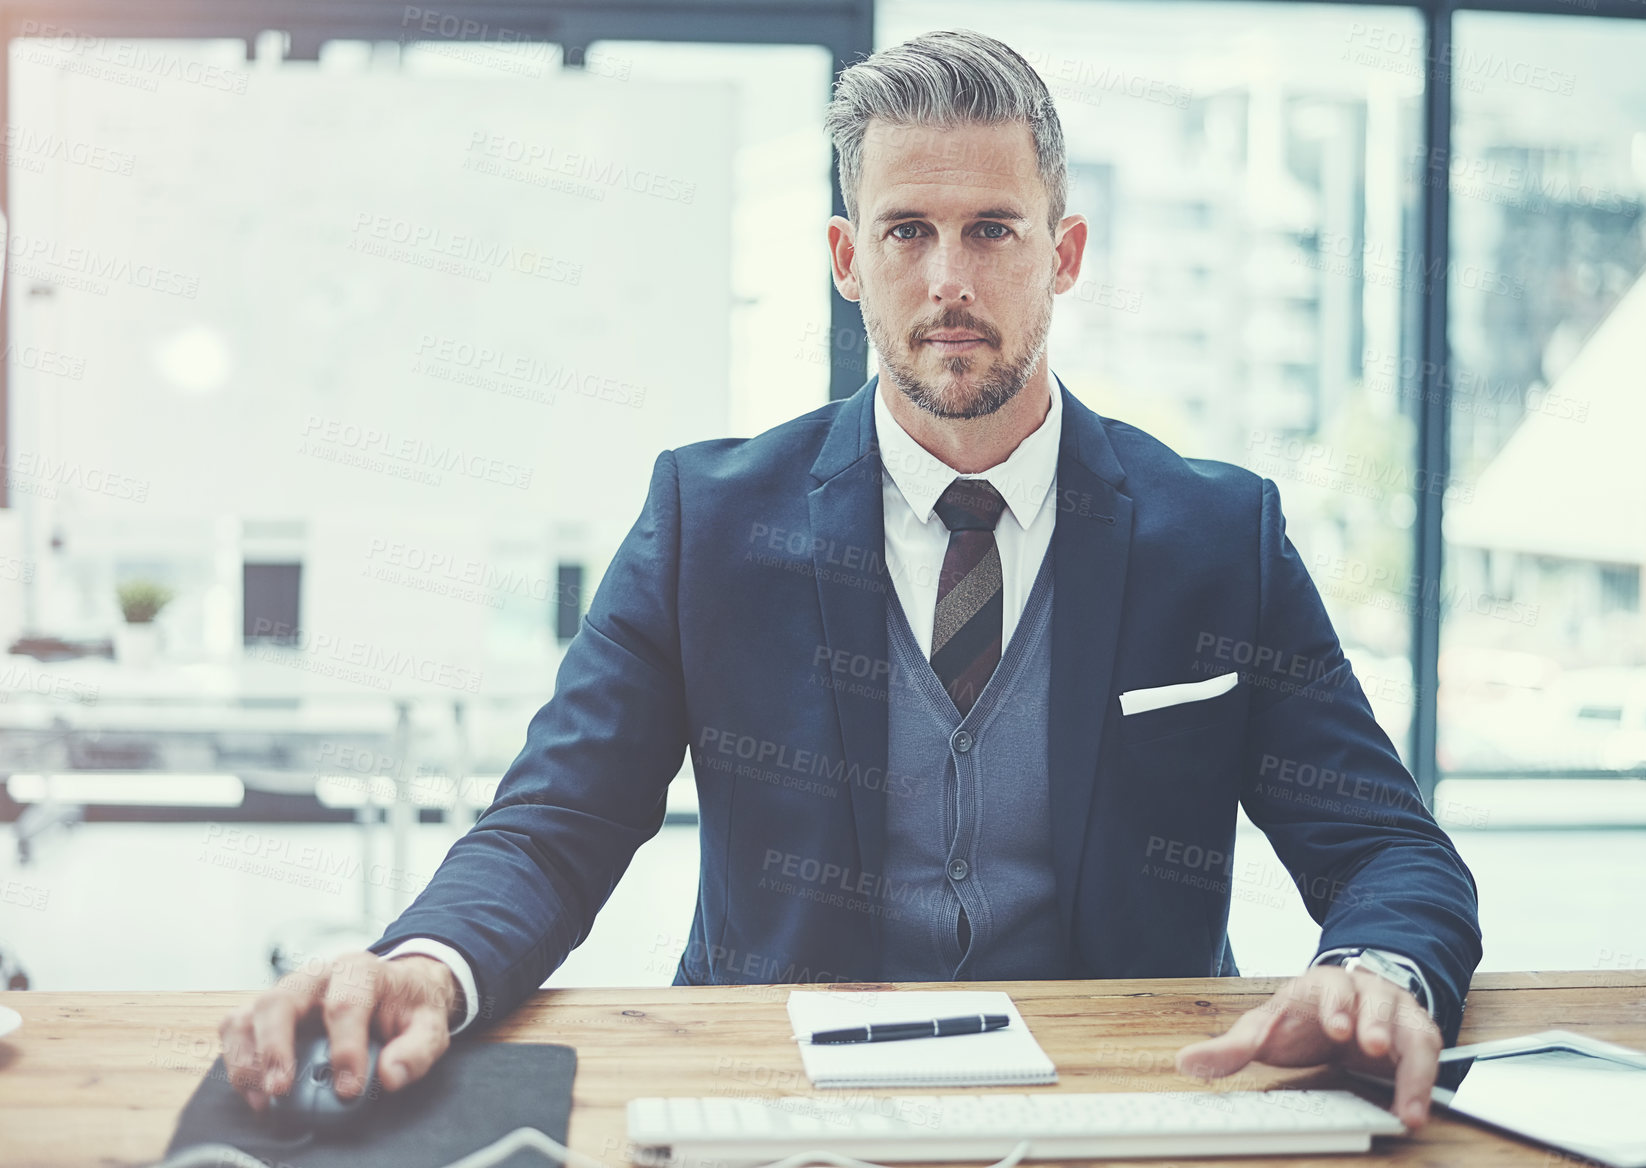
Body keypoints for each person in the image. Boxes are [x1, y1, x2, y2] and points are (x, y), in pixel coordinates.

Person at [221, 27, 1480, 1131]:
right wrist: (430, 964)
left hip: (1136, 1099)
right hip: (772, 1107)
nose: (949, 280)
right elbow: (554, 827)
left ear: (1065, 252)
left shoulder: (1221, 534)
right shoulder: (705, 522)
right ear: (844, 253)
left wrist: (1374, 970)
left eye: (993, 229)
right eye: (906, 232)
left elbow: (1387, 847)